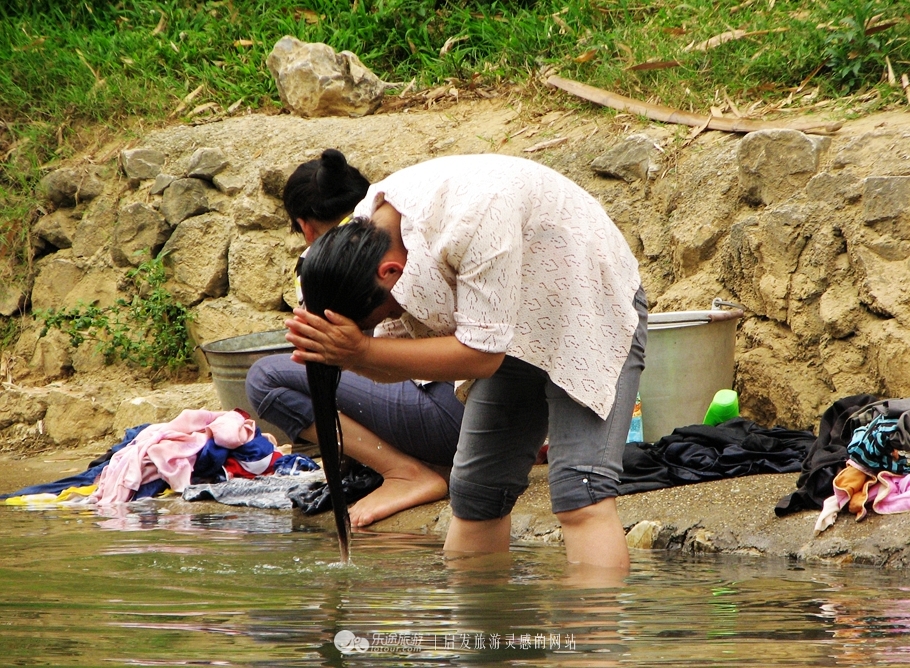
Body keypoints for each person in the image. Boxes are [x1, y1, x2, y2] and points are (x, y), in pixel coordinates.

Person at [286, 153, 648, 571]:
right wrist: (338, 354)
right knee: (476, 494)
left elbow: (480, 355)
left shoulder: (472, 218)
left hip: (585, 297)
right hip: (508, 317)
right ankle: (477, 633)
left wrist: (360, 352)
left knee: (580, 492)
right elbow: (404, 361)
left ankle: (590, 637)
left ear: (389, 273)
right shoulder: (362, 235)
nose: (389, 323)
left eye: (381, 317)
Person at [245, 149, 465, 527]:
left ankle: (405, 473)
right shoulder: (413, 231)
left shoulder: (327, 266)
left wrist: (358, 350)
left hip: (453, 415)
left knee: (265, 378)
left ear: (306, 227)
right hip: (495, 416)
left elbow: (338, 361)